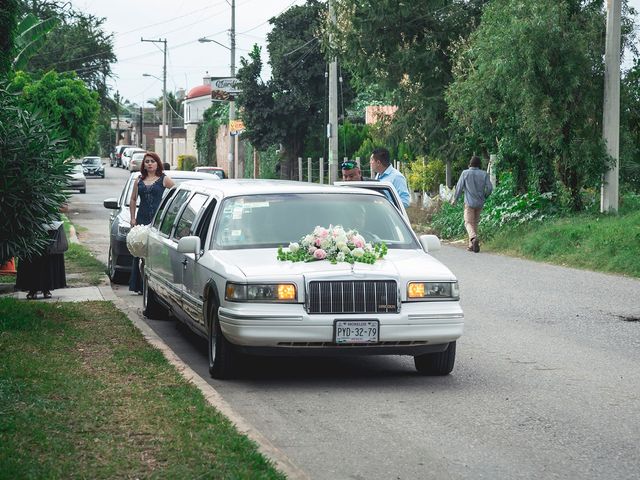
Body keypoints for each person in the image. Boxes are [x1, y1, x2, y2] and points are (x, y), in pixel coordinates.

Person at [129, 152, 175, 293]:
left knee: (156, 253)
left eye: (152, 161)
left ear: (157, 164)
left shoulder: (163, 179)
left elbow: (176, 193)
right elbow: (133, 199)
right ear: (143, 164)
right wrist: (132, 218)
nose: (149, 163)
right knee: (141, 253)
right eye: (147, 161)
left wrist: (168, 211)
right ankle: (140, 286)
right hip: (142, 219)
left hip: (157, 220)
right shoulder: (139, 180)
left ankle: (156, 285)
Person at [16, 220, 68, 299]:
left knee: (47, 260)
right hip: (30, 225)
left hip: (50, 227)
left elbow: (64, 208)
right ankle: (32, 289)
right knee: (31, 260)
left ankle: (46, 289)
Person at [452, 155, 493, 253]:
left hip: (469, 203)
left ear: (470, 163)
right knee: (475, 223)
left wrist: (455, 199)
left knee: (468, 222)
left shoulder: (465, 173)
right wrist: (485, 196)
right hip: (480, 202)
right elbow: (490, 188)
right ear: (479, 164)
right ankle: (472, 246)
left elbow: (459, 187)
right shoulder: (484, 174)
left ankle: (473, 238)